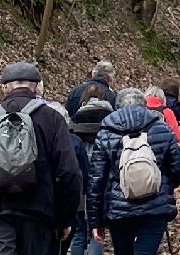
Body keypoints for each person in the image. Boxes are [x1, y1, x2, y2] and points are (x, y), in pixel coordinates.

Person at [0, 63, 84, 255]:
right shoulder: (53, 118)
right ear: (37, 87)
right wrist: (64, 219)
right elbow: (70, 172)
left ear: (4, 87)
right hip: (38, 213)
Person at [86, 88, 180, 255]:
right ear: (144, 105)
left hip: (119, 211)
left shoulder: (106, 133)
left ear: (117, 107)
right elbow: (179, 167)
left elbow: (96, 180)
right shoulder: (161, 128)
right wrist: (163, 186)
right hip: (155, 207)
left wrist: (95, 222)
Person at [63, 87, 113, 255]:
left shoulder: (75, 120)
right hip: (102, 181)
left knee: (78, 232)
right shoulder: (112, 120)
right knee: (98, 230)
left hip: (80, 181)